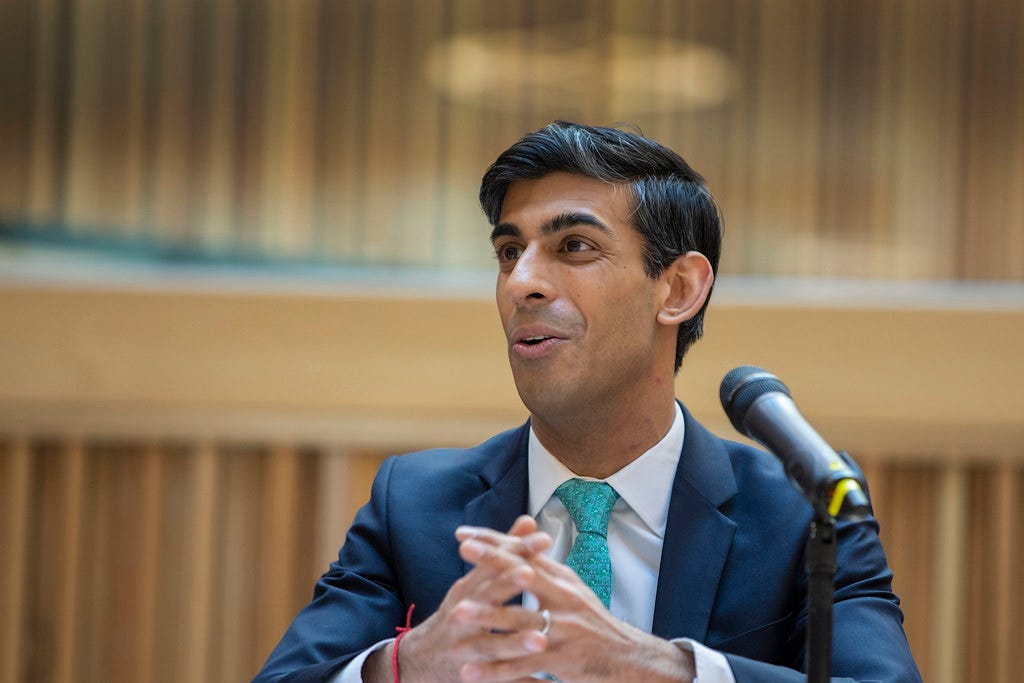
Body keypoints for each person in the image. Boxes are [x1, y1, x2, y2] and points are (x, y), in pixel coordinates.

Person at [253, 121, 921, 682]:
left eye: (573, 246)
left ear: (679, 287)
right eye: (509, 251)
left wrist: (667, 668)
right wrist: (406, 662)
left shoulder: (803, 510)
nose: (522, 283)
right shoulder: (416, 505)